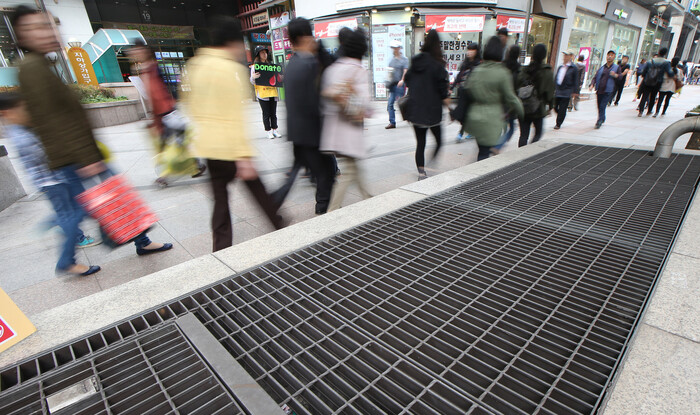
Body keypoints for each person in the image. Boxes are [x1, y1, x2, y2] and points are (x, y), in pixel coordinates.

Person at [13, 5, 172, 271]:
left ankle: (138, 241)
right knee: (90, 206)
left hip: (77, 155)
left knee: (108, 200)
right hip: (75, 158)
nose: (45, 33)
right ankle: (70, 259)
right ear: (21, 36)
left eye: (47, 25)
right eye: (34, 29)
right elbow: (51, 121)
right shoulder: (31, 68)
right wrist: (86, 158)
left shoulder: (41, 65)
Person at [183, 17, 284, 252]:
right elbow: (233, 114)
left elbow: (191, 107)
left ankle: (221, 247)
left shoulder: (195, 65)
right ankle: (281, 227)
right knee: (258, 192)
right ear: (231, 42)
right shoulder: (228, 69)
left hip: (209, 147)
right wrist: (243, 156)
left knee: (220, 199)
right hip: (230, 148)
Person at [0, 93, 101, 276]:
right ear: (7, 113)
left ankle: (56, 222)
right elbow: (48, 155)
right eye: (21, 109)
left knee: (76, 212)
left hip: (55, 181)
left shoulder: (21, 130)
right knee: (74, 215)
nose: (25, 111)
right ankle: (66, 261)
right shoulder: (21, 135)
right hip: (54, 182)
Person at [127, 40, 205, 185]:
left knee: (172, 144)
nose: (133, 54)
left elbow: (159, 94)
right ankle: (192, 166)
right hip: (162, 114)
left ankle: (183, 169)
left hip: (167, 113)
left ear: (144, 51)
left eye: (136, 51)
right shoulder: (146, 70)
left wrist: (161, 116)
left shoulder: (153, 68)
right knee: (171, 144)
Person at [282, 17, 336, 214]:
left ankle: (275, 202)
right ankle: (323, 215)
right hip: (312, 135)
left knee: (309, 175)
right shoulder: (308, 64)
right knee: (326, 175)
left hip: (298, 134)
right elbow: (315, 103)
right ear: (306, 37)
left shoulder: (292, 65)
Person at [320, 27, 372, 211]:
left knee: (353, 166)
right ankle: (332, 211)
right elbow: (363, 106)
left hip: (334, 131)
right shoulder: (358, 70)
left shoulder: (334, 68)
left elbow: (326, 98)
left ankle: (368, 197)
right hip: (350, 130)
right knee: (350, 170)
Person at [463, 37, 523, 161]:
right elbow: (511, 97)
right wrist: (521, 111)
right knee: (484, 155)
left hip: (474, 116)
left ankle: (474, 174)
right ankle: (477, 178)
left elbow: (467, 90)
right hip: (491, 118)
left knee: (482, 150)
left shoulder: (477, 70)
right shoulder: (502, 73)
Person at [404, 29, 449, 180]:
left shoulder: (416, 61)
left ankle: (421, 171)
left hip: (415, 109)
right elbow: (443, 92)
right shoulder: (438, 65)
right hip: (432, 111)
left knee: (420, 143)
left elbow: (407, 80)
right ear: (438, 45)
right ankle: (430, 164)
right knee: (439, 141)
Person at [516, 43, 554, 147]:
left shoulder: (524, 70)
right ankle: (529, 153)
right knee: (538, 133)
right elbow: (549, 92)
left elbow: (517, 86)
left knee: (523, 135)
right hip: (538, 108)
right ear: (544, 55)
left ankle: (521, 154)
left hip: (523, 107)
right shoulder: (546, 72)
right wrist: (551, 105)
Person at [250, 45, 281, 139]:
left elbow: (277, 78)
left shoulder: (271, 65)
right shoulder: (255, 67)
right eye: (262, 52)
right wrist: (253, 77)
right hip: (263, 94)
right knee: (266, 113)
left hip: (272, 93)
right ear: (258, 54)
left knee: (273, 113)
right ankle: (268, 131)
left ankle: (275, 129)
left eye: (265, 52)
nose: (264, 54)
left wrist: (280, 78)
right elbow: (252, 81)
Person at [494, 45, 521, 150]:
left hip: (500, 100)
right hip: (510, 102)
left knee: (499, 124)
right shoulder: (518, 69)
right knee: (511, 127)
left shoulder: (502, 66)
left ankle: (494, 143)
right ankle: (498, 145)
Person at [453, 42, 481, 142]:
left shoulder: (479, 64)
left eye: (472, 50)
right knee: (463, 113)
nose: (469, 52)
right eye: (468, 50)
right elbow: (459, 76)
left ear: (476, 51)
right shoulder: (465, 63)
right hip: (463, 92)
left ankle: (461, 133)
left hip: (473, 93)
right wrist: (452, 87)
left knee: (467, 114)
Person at [638, 47, 676, 117]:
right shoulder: (666, 63)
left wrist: (645, 76)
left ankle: (640, 111)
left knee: (644, 96)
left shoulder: (650, 61)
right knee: (653, 96)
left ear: (658, 52)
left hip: (648, 81)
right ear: (665, 54)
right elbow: (670, 73)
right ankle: (649, 111)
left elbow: (644, 72)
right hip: (657, 82)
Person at [590, 50, 619, 128]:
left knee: (602, 105)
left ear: (614, 57)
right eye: (608, 55)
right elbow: (595, 77)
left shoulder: (616, 67)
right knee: (599, 106)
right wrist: (592, 84)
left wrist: (615, 75)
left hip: (608, 91)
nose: (609, 56)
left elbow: (620, 77)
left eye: (612, 55)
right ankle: (603, 117)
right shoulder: (602, 67)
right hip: (599, 90)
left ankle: (599, 121)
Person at [385, 39, 408, 129]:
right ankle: (392, 122)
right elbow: (389, 72)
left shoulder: (404, 60)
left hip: (400, 84)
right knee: (390, 104)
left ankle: (409, 117)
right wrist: (388, 80)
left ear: (399, 48)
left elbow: (405, 70)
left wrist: (402, 80)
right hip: (393, 84)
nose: (393, 49)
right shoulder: (391, 60)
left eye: (395, 48)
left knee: (402, 102)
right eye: (393, 48)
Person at [553, 50, 578, 130]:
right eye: (564, 55)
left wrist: (575, 91)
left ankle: (558, 123)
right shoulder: (561, 67)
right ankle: (561, 114)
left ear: (570, 57)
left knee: (563, 108)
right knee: (555, 106)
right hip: (558, 90)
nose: (565, 57)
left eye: (567, 55)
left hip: (567, 91)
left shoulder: (573, 68)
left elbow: (576, 80)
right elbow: (556, 78)